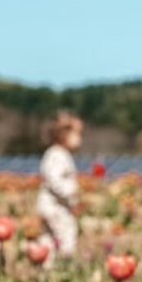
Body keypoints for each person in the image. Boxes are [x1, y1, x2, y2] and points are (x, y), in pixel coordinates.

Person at [37, 110, 84, 259]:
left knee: (48, 237)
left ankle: (44, 262)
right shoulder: (57, 154)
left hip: (50, 205)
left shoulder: (56, 154)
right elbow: (54, 179)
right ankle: (66, 261)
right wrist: (71, 192)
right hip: (55, 206)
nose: (80, 138)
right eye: (77, 134)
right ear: (63, 135)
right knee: (67, 232)